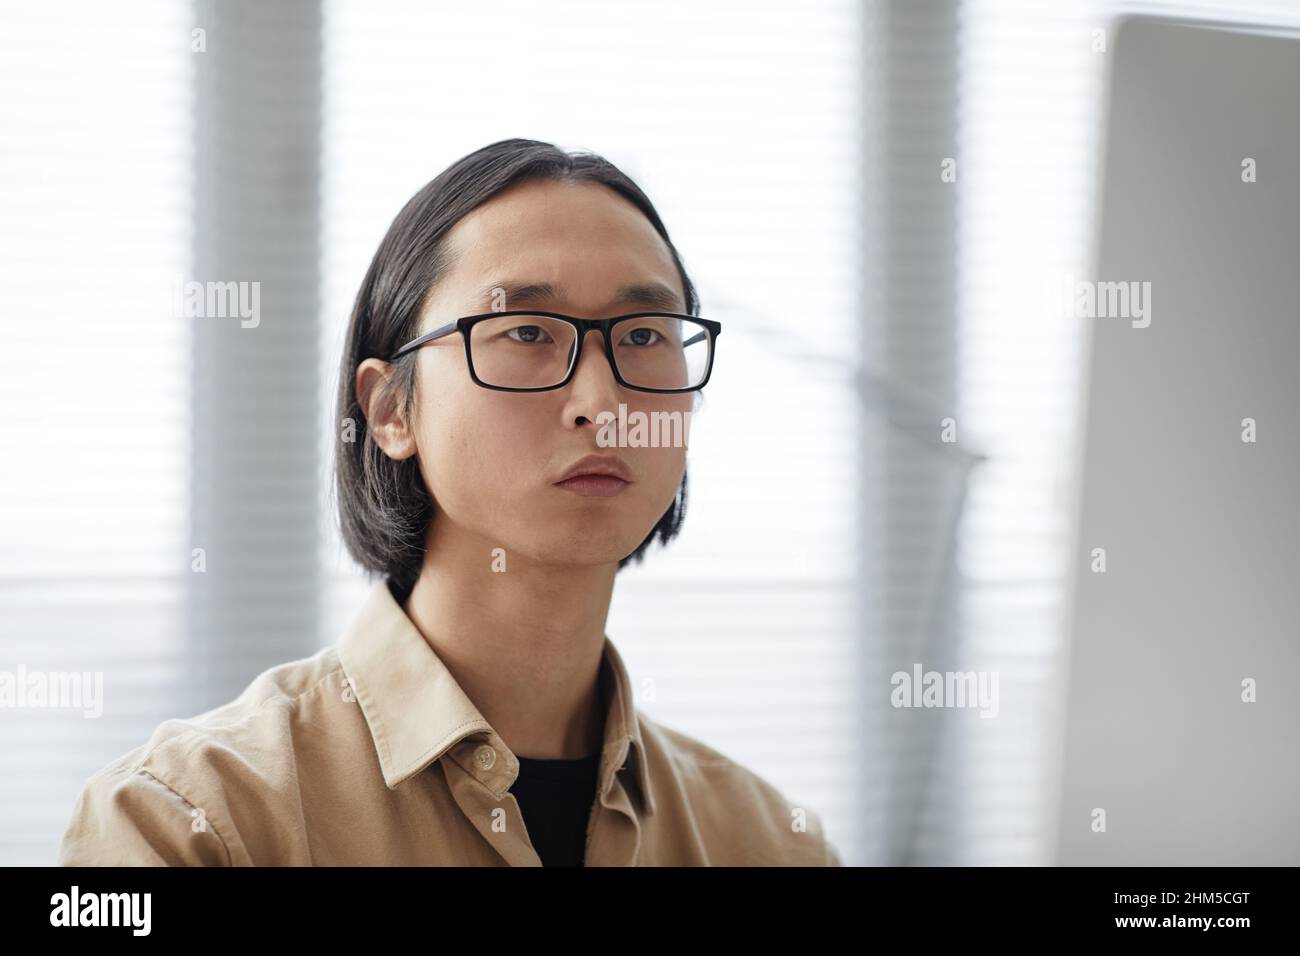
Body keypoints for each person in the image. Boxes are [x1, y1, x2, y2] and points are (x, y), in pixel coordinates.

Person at [58, 138, 842, 866]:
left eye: (643, 336)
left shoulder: (768, 842)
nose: (601, 403)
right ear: (392, 410)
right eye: (528, 331)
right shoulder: (191, 823)